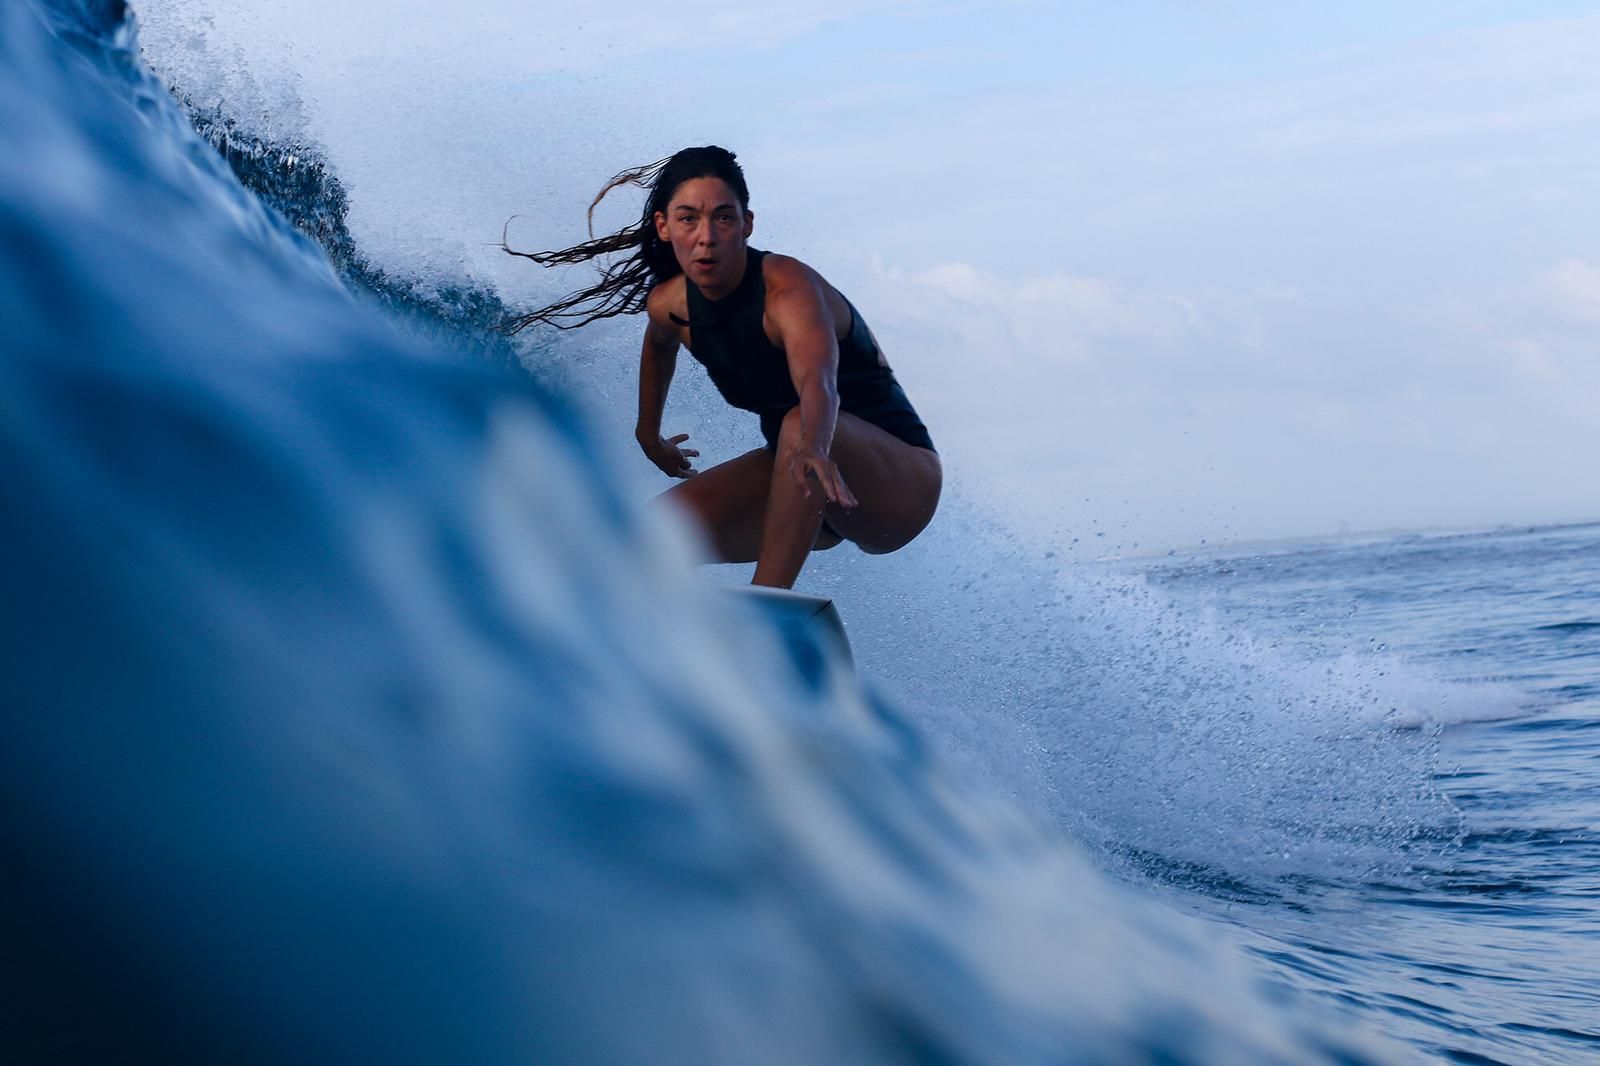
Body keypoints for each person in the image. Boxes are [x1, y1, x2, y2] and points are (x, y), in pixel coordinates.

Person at [505, 146, 940, 589]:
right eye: (688, 218)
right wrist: (648, 433)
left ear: (747, 224)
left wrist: (814, 443)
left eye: (723, 217)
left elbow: (818, 382)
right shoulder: (671, 305)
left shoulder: (788, 292)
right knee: (642, 542)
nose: (706, 236)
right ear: (664, 226)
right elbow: (659, 345)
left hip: (898, 489)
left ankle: (769, 605)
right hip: (801, 485)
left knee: (797, 425)